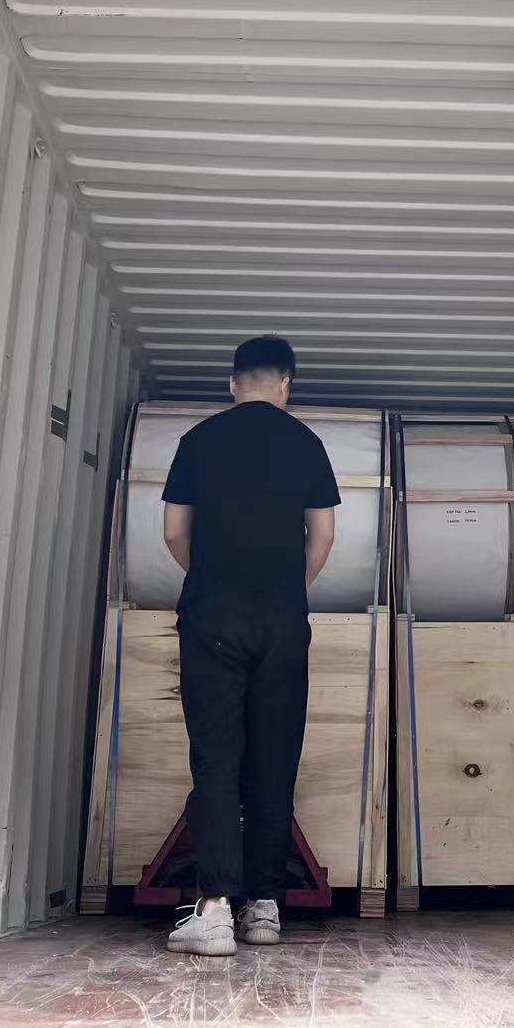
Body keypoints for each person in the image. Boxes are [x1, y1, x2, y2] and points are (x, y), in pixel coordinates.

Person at [159, 335, 339, 956]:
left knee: (216, 755)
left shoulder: (198, 440)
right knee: (274, 756)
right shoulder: (307, 443)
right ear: (286, 384)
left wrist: (211, 579)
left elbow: (174, 531)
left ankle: (213, 911)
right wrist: (288, 589)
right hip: (282, 619)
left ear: (233, 384)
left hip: (213, 614)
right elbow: (323, 534)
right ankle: (264, 908)